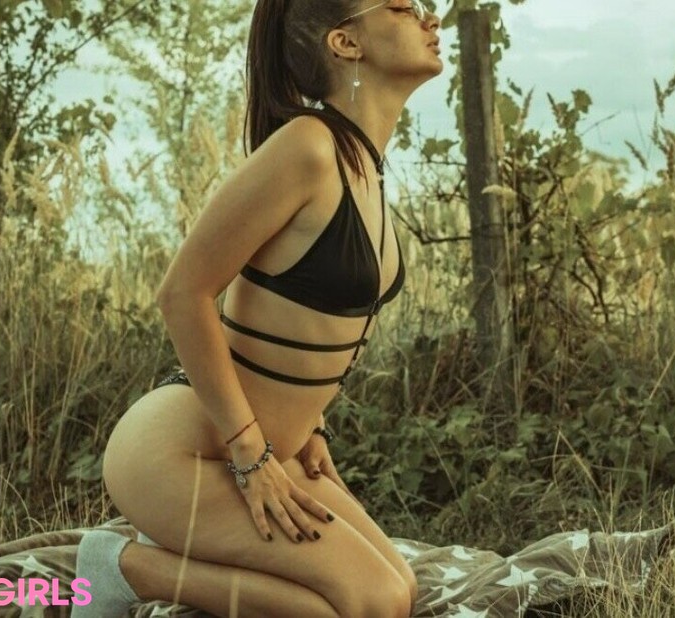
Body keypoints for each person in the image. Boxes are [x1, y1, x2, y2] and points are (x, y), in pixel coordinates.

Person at [73, 1, 443, 617]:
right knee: (368, 603)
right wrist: (250, 454)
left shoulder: (364, 165)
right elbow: (182, 294)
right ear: (346, 43)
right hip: (184, 454)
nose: (432, 19)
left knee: (400, 588)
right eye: (406, 7)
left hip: (278, 449)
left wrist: (309, 423)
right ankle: (123, 568)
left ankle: (167, 553)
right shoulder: (307, 147)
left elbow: (295, 310)